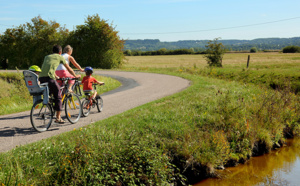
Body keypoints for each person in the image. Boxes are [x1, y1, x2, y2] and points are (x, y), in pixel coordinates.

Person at [39, 45, 81, 124]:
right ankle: (58, 118)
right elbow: (69, 68)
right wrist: (75, 76)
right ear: (60, 52)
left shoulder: (46, 57)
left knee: (52, 93)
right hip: (49, 78)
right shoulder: (60, 57)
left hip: (41, 78)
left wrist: (56, 76)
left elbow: (48, 67)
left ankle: (50, 105)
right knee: (58, 96)